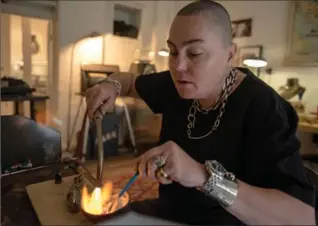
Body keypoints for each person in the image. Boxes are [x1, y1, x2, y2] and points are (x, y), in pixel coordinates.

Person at [85, 0, 315, 225]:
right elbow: (127, 82)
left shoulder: (264, 107)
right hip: (172, 211)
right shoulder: (177, 83)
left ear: (229, 54)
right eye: (173, 52)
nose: (178, 66)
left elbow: (302, 217)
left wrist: (202, 176)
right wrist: (110, 85)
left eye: (194, 53)